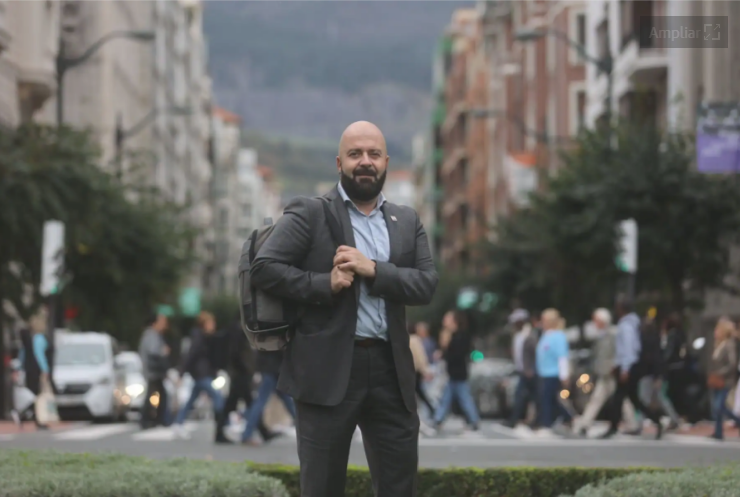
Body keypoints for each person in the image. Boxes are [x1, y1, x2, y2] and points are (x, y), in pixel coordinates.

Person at [249, 120, 438, 496]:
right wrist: (325, 284)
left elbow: (426, 284)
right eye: (355, 154)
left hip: (391, 371)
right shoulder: (310, 213)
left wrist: (374, 270)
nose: (364, 162)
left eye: (373, 154)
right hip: (326, 370)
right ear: (339, 163)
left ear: (385, 161)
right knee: (321, 487)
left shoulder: (406, 221)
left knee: (400, 487)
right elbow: (264, 268)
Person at [600, 296, 663, 440]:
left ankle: (613, 427)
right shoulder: (634, 323)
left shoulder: (626, 325)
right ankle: (656, 421)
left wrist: (625, 369)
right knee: (634, 400)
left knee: (618, 398)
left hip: (629, 367)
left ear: (621, 308)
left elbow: (629, 348)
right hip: (630, 366)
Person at [572, 308, 636, 436]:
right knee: (600, 399)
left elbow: (618, 352)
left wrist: (617, 366)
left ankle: (632, 424)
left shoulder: (613, 334)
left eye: (596, 321)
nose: (594, 323)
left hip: (611, 372)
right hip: (604, 373)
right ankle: (585, 423)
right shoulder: (601, 334)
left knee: (619, 400)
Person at [172, 311, 231, 444]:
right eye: (211, 323)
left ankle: (178, 423)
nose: (213, 326)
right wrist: (181, 373)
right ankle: (223, 423)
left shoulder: (205, 337)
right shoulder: (199, 337)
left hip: (202, 373)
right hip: (200, 374)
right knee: (217, 397)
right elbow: (190, 355)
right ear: (204, 324)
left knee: (191, 399)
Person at [222, 313, 277, 442]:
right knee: (249, 402)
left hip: (242, 372)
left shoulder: (240, 328)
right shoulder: (240, 330)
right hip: (241, 373)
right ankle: (252, 433)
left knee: (247, 402)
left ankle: (261, 432)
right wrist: (247, 370)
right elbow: (237, 353)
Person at [432, 310, 480, 433]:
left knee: (463, 397)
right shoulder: (450, 335)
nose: (444, 321)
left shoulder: (461, 335)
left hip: (459, 372)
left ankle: (473, 420)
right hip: (452, 372)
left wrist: (444, 353)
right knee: (448, 397)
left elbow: (457, 354)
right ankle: (438, 419)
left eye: (447, 318)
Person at [240, 349, 296, 445]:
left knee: (286, 401)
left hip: (269, 368)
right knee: (261, 402)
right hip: (274, 368)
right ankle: (247, 434)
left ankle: (247, 434)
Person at [535, 309, 572, 431]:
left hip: (553, 373)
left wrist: (564, 375)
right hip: (544, 373)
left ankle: (546, 423)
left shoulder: (558, 336)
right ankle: (567, 417)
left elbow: (562, 357)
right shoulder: (546, 335)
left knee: (547, 398)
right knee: (551, 399)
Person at [18, 306, 53, 429]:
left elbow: (22, 354)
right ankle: (37, 419)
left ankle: (27, 416)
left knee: (32, 395)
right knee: (38, 396)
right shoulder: (39, 338)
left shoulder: (30, 337)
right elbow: (40, 355)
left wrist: (20, 367)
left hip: (28, 370)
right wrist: (45, 369)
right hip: (37, 370)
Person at [707, 317, 740, 440]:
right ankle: (718, 432)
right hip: (717, 379)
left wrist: (720, 372)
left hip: (725, 379)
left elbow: (732, 363)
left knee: (719, 406)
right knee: (719, 407)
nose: (715, 331)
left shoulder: (729, 343)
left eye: (717, 328)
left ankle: (737, 421)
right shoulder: (719, 343)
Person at [504, 309, 538, 429]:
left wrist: (531, 368)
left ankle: (517, 419)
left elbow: (534, 353)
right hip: (522, 370)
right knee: (523, 396)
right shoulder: (517, 335)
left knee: (529, 396)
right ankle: (517, 419)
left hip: (530, 371)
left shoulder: (529, 334)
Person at [138, 312, 171, 430]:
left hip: (155, 371)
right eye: (162, 322)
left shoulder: (154, 334)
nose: (165, 325)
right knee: (153, 395)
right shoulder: (151, 335)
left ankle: (158, 418)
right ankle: (148, 419)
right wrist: (164, 351)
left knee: (160, 394)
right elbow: (154, 351)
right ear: (155, 323)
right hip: (153, 371)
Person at [408, 322, 435, 421]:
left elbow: (420, 357)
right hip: (414, 370)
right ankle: (431, 409)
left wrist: (425, 370)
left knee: (418, 393)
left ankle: (431, 410)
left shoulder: (413, 339)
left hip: (414, 371)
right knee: (418, 393)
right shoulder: (414, 339)